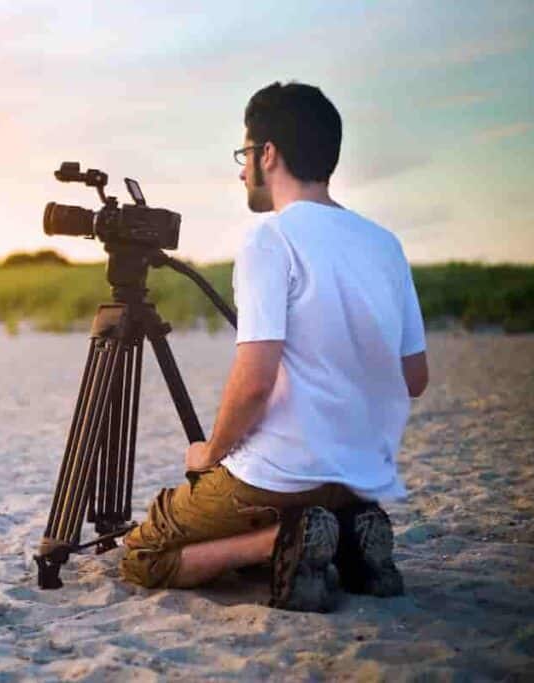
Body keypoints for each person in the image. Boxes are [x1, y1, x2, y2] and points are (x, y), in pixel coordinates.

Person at [119, 81, 429, 612]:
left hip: (280, 477)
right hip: (357, 477)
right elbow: (414, 377)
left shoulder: (270, 237)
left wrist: (209, 454)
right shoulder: (384, 244)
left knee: (142, 555)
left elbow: (256, 380)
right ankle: (349, 535)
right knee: (315, 501)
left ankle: (280, 540)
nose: (242, 170)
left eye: (245, 154)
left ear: (269, 154)